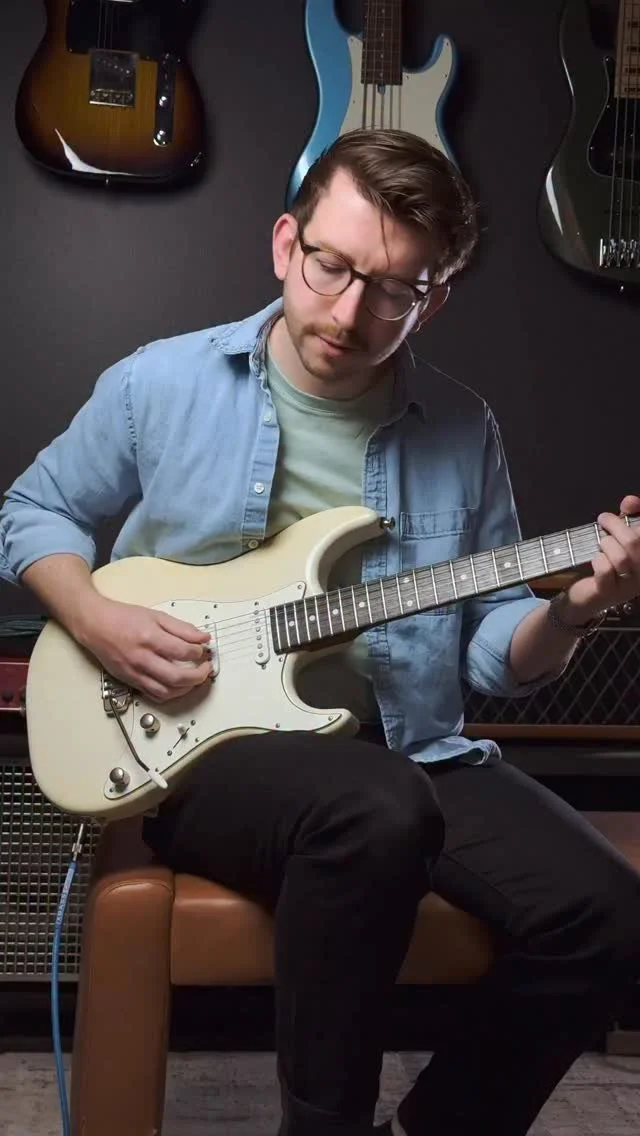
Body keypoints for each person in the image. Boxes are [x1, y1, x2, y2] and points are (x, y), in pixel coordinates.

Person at [1, 128, 640, 1136]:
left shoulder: (461, 427)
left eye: (392, 290)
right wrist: (96, 616)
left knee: (608, 915)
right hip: (202, 750)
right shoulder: (160, 383)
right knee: (376, 807)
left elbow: (490, 651)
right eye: (330, 266)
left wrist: (568, 610)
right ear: (283, 244)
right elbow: (32, 510)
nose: (348, 312)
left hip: (409, 748)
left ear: (433, 299)